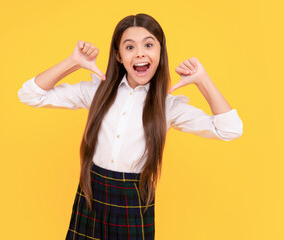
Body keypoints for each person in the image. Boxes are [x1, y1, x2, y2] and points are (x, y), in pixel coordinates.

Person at [17, 13, 243, 240]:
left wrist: (202, 80)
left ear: (160, 52)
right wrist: (73, 62)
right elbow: (29, 95)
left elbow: (230, 129)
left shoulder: (168, 106)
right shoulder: (97, 92)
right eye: (129, 47)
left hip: (133, 202)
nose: (140, 53)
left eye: (148, 45)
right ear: (118, 55)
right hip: (91, 195)